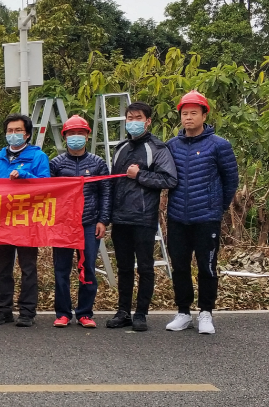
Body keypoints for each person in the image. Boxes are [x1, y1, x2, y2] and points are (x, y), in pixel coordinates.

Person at [165, 91, 238, 335]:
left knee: (207, 267)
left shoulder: (219, 145)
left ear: (204, 115)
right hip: (177, 217)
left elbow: (231, 180)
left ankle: (206, 312)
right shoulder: (172, 146)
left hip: (207, 218)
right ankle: (183, 312)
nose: (188, 118)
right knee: (180, 266)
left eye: (193, 113)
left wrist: (218, 207)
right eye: (184, 113)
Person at [107, 102, 178, 332]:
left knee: (145, 267)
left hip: (144, 218)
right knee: (124, 267)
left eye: (138, 118)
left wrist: (140, 175)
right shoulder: (121, 147)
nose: (133, 122)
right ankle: (123, 312)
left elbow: (169, 179)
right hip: (120, 218)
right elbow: (113, 182)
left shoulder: (157, 148)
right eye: (129, 118)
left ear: (148, 121)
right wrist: (107, 215)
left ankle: (141, 313)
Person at [49, 115, 111, 329]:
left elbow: (106, 193)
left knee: (88, 269)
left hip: (89, 223)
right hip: (63, 225)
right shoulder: (56, 164)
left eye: (80, 133)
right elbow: (48, 194)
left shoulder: (98, 163)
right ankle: (63, 313)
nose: (76, 137)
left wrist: (103, 220)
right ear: (65, 137)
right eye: (71, 133)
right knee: (61, 270)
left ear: (87, 136)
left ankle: (85, 313)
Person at [0, 113, 50, 327]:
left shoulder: (38, 156)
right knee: (2, 267)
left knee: (28, 267)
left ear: (27, 134)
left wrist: (26, 177)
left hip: (28, 219)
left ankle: (27, 312)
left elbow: (46, 185)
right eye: (10, 131)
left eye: (18, 130)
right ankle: (3, 310)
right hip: (3, 219)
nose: (13, 134)